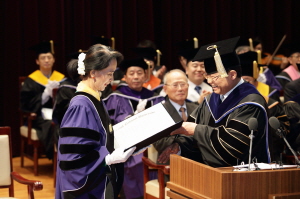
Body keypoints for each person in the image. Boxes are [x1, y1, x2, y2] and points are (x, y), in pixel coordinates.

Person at [159, 37, 270, 167]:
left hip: (245, 177)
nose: (209, 82)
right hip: (212, 176)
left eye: (214, 77)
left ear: (232, 75)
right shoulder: (211, 100)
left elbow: (233, 146)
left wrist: (197, 130)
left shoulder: (251, 103)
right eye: (207, 76)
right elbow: (190, 131)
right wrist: (179, 146)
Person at [55, 44, 136, 199]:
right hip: (84, 191)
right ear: (93, 73)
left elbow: (99, 139)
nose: (112, 79)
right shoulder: (81, 105)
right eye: (109, 73)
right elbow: (73, 159)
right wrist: (107, 158)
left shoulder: (95, 99)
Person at [103, 58, 165, 199]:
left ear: (146, 76)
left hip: (153, 146)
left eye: (139, 73)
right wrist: (134, 117)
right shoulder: (115, 97)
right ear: (124, 77)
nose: (136, 77)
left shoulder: (155, 98)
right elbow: (112, 124)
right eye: (131, 73)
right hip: (126, 147)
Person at [20, 40, 65, 159]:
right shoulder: (31, 80)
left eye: (49, 57)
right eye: (43, 57)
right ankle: (56, 158)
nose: (46, 60)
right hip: (39, 117)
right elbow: (26, 104)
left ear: (54, 60)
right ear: (37, 61)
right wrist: (45, 94)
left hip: (57, 114)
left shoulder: (60, 78)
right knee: (53, 125)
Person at [153, 69, 198, 165]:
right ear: (165, 89)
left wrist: (178, 143)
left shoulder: (197, 109)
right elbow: (160, 143)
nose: (180, 89)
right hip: (171, 165)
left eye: (183, 84)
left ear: (188, 86)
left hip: (198, 162)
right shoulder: (158, 112)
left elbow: (204, 135)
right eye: (175, 85)